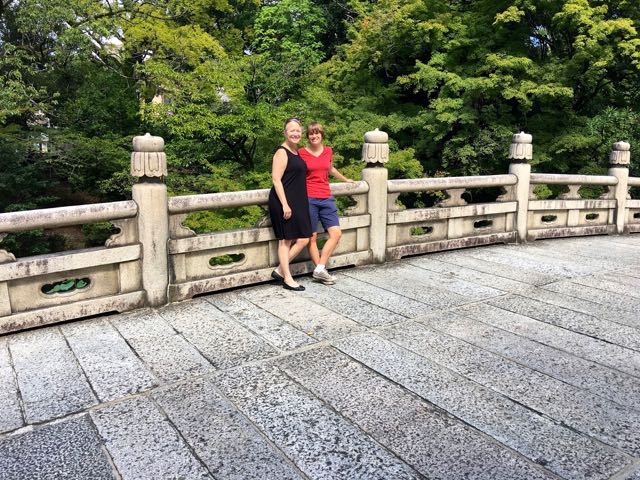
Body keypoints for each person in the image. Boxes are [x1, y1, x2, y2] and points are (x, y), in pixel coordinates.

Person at [298, 122, 354, 285]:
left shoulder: (328, 150)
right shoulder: (301, 153)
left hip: (326, 197)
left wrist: (345, 179)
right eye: (310, 134)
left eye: (317, 133)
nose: (314, 136)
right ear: (307, 136)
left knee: (336, 233)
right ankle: (321, 272)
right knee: (312, 237)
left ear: (322, 135)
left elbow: (330, 169)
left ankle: (320, 268)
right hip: (308, 198)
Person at [268, 117, 312, 291]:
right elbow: (276, 180)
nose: (295, 133)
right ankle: (287, 278)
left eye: (298, 131)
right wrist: (285, 204)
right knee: (285, 241)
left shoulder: (296, 151)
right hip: (283, 202)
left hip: (298, 201)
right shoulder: (282, 152)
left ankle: (279, 270)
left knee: (304, 238)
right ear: (285, 132)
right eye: (291, 130)